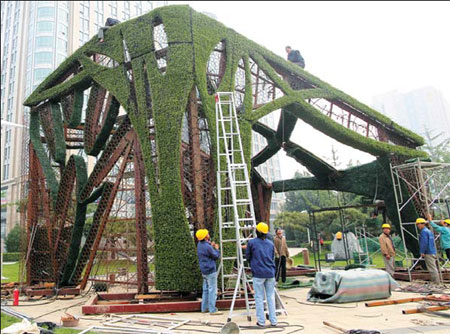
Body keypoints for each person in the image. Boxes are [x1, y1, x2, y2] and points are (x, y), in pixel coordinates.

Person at [246, 222, 277, 328]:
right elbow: (272, 257)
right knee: (270, 297)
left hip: (258, 273)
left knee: (259, 298)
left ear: (257, 232)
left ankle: (261, 321)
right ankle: (273, 321)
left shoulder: (251, 243)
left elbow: (248, 257)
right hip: (270, 273)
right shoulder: (270, 244)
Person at [196, 229, 222, 315]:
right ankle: (212, 309)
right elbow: (215, 256)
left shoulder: (200, 245)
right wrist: (217, 249)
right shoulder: (207, 247)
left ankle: (204, 308)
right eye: (207, 234)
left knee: (206, 289)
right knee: (212, 290)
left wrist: (211, 245)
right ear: (205, 237)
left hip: (204, 270)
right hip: (211, 270)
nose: (208, 234)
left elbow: (207, 249)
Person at [416, 218, 440, 284]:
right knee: (433, 267)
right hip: (432, 251)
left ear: (422, 224)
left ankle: (436, 282)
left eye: (418, 224)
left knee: (432, 268)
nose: (418, 226)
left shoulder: (423, 232)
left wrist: (422, 251)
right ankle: (436, 281)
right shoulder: (429, 231)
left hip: (428, 252)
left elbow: (424, 243)